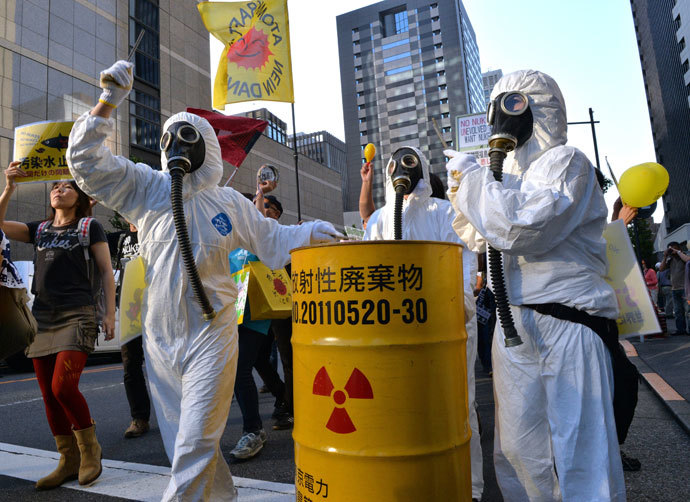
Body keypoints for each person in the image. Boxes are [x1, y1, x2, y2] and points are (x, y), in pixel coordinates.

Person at [66, 60, 340, 501]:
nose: (176, 144)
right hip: (160, 339)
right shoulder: (147, 188)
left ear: (206, 146)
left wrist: (310, 232)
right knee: (186, 446)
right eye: (170, 137)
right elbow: (86, 164)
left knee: (193, 443)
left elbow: (271, 240)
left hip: (211, 334)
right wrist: (107, 101)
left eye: (187, 137)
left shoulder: (229, 202)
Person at [446, 70, 627, 501]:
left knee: (583, 456)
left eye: (509, 105)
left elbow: (521, 226)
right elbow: (476, 231)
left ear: (533, 107)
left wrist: (475, 181)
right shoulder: (509, 177)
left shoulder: (567, 163)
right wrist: (470, 188)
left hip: (568, 324)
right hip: (514, 327)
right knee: (519, 452)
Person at [364, 146, 484, 502]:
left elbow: (463, 262)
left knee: (458, 402)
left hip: (448, 326)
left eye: (409, 161)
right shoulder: (380, 220)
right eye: (396, 164)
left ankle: (469, 486)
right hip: (397, 331)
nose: (402, 168)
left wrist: (458, 306)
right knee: (402, 404)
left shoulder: (445, 212)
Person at [1, 168, 115, 490]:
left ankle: (90, 451)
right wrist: (9, 188)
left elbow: (106, 271)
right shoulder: (39, 229)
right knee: (49, 397)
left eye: (67, 187)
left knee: (63, 388)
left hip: (77, 314)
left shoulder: (89, 226)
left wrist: (109, 315)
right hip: (44, 317)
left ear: (79, 198)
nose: (59, 190)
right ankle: (68, 460)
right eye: (56, 186)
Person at [229, 193, 291, 460]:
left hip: (257, 311)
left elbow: (262, 227)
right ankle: (285, 402)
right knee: (253, 365)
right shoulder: (228, 235)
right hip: (231, 309)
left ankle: (253, 430)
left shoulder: (260, 234)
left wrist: (260, 198)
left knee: (241, 366)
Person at [113, 222, 152, 438]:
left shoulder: (157, 229)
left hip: (157, 307)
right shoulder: (120, 238)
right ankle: (139, 418)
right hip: (130, 309)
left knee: (165, 363)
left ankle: (181, 414)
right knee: (131, 366)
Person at [659, 241, 690, 336]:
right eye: (670, 249)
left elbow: (687, 260)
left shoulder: (683, 256)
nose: (671, 251)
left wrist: (678, 252)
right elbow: (661, 269)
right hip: (674, 288)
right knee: (677, 311)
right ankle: (680, 329)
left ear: (678, 248)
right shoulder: (670, 260)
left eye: (673, 248)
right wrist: (665, 257)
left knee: (688, 311)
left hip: (685, 288)